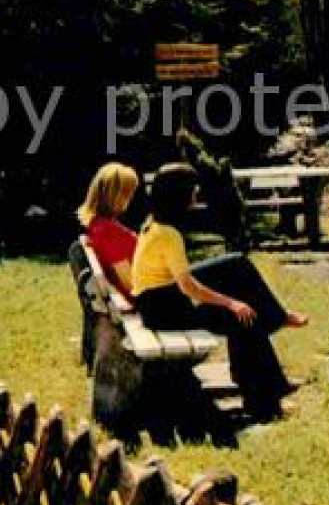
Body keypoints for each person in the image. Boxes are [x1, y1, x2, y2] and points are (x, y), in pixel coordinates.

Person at [129, 163, 308, 417]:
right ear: (179, 195)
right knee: (243, 303)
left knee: (240, 282)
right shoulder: (168, 234)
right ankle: (266, 398)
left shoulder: (153, 225)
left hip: (158, 304)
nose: (196, 194)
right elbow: (188, 287)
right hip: (164, 310)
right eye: (192, 190)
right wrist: (230, 303)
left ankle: (265, 390)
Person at [78, 163, 142, 296]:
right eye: (128, 193)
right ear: (116, 195)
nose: (131, 198)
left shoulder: (97, 225)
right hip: (146, 298)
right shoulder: (108, 232)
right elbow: (130, 284)